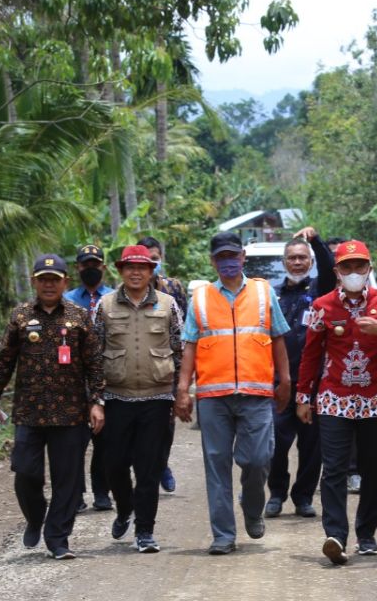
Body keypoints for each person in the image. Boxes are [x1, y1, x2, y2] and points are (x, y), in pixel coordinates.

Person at [174, 231, 292, 555]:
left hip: (256, 391)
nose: (228, 262)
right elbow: (190, 346)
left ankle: (252, 508)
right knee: (216, 465)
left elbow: (278, 337)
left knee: (257, 459)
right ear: (213, 261)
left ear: (243, 257)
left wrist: (286, 380)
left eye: (233, 256)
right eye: (221, 257)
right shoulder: (199, 298)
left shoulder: (263, 291)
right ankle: (223, 535)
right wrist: (183, 390)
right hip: (214, 395)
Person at [297, 240, 377, 564]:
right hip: (334, 400)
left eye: (360, 266)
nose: (354, 272)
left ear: (369, 269)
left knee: (373, 469)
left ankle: (367, 534)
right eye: (347, 267)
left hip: (375, 399)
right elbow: (311, 355)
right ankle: (336, 535)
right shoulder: (322, 306)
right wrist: (303, 397)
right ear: (336, 271)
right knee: (333, 468)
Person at [0, 254, 105, 560]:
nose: (49, 285)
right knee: (25, 473)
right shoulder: (21, 316)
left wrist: (97, 402)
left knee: (69, 479)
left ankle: (57, 538)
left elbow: (94, 364)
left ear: (66, 282)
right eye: (43, 280)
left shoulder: (79, 316)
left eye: (55, 280)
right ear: (34, 282)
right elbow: (5, 360)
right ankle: (36, 515)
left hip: (70, 412)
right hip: (30, 411)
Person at [97, 245, 181, 553]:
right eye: (129, 267)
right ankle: (124, 509)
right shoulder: (105, 306)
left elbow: (180, 349)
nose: (136, 272)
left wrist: (181, 393)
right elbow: (93, 355)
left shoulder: (168, 304)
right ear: (120, 270)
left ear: (151, 271)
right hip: (116, 398)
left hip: (156, 398)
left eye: (142, 267)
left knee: (149, 468)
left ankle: (145, 531)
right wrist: (94, 399)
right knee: (114, 464)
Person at [265, 230, 336, 519]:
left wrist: (317, 241)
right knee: (275, 443)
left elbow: (331, 267)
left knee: (311, 445)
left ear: (310, 261)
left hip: (315, 383)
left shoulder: (321, 289)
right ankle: (277, 493)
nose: (297, 262)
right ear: (284, 262)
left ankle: (303, 496)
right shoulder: (273, 294)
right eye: (292, 257)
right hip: (279, 381)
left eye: (302, 257)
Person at [64, 243, 115, 512]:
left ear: (103, 267)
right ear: (78, 268)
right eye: (86, 265)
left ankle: (102, 492)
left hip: (107, 379)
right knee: (74, 443)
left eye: (95, 265)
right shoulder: (68, 300)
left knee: (104, 440)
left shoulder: (115, 299)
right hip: (73, 380)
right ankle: (76, 493)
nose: (91, 269)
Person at [139, 236, 187, 495]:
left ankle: (161, 464)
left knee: (166, 423)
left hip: (168, 365)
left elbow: (185, 327)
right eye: (146, 259)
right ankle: (148, 468)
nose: (151, 264)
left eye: (154, 259)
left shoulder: (174, 288)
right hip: (136, 366)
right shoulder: (126, 290)